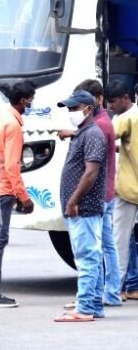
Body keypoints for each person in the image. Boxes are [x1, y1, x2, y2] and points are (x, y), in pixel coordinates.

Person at [55, 90, 108, 323]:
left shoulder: (93, 134)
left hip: (84, 207)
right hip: (82, 207)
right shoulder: (84, 133)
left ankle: (85, 307)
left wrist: (73, 200)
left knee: (86, 257)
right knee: (91, 257)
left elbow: (91, 172)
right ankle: (93, 304)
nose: (70, 113)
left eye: (74, 109)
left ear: (87, 108)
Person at [0, 80, 36, 308]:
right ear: (24, 100)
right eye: (31, 99)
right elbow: (12, 165)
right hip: (5, 189)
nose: (32, 103)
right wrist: (23, 197)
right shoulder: (13, 126)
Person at [74, 79, 122, 307]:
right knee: (104, 245)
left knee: (98, 247)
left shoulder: (99, 126)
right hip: (105, 192)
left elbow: (92, 169)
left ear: (97, 99)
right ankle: (104, 294)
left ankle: (101, 295)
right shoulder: (101, 123)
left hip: (100, 194)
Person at [107, 81, 138, 298]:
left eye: (113, 102)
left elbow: (104, 136)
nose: (110, 107)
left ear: (126, 98)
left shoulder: (127, 117)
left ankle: (112, 291)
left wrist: (73, 133)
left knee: (119, 243)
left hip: (129, 190)